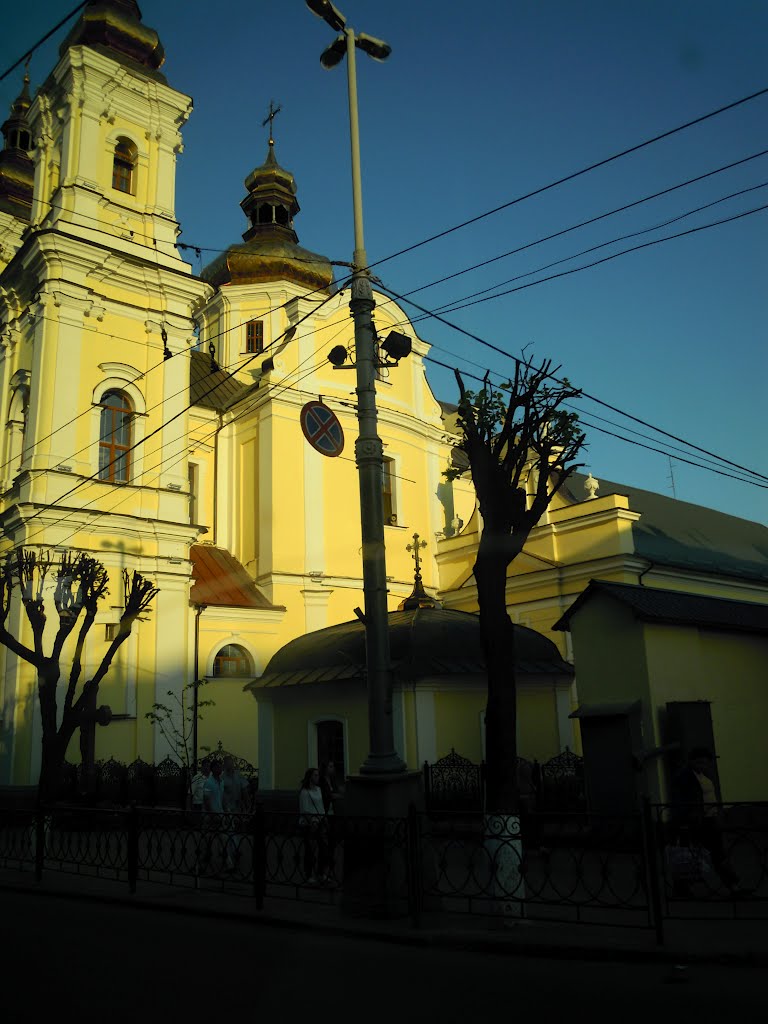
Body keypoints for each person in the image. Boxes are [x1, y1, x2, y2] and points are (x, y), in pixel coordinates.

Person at [670, 747, 740, 894]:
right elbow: (679, 800)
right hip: (695, 821)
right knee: (693, 854)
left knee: (712, 853)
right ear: (691, 761)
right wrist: (684, 819)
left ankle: (733, 885)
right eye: (700, 762)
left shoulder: (704, 775)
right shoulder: (684, 776)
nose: (703, 765)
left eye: (706, 762)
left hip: (709, 819)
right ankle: (683, 886)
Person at [299, 767, 329, 884]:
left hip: (320, 822)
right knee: (310, 850)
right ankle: (309, 874)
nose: (317, 777)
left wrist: (324, 818)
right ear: (310, 777)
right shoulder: (305, 792)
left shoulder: (318, 789)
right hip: (309, 824)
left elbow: (321, 806)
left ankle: (321, 873)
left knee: (323, 848)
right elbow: (305, 810)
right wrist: (311, 822)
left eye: (318, 775)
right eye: (315, 775)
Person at [222, 755, 249, 872]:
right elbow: (220, 794)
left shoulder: (238, 776)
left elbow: (245, 791)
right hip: (226, 810)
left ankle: (234, 854)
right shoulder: (222, 778)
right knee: (228, 833)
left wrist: (247, 807)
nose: (229, 765)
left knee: (235, 832)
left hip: (237, 810)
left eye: (230, 763)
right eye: (227, 763)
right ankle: (230, 859)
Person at [198, 759, 224, 874]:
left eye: (221, 767)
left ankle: (226, 862)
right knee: (208, 841)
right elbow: (207, 801)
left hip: (219, 814)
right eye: (218, 767)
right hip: (210, 816)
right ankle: (203, 865)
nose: (220, 769)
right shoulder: (209, 782)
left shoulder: (221, 782)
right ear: (213, 769)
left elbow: (221, 799)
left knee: (220, 839)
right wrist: (212, 814)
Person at [319, 761, 342, 881]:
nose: (332, 769)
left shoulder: (333, 780)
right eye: (330, 766)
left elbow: (335, 793)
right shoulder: (322, 781)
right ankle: (323, 871)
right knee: (325, 844)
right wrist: (336, 796)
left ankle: (331, 870)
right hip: (326, 814)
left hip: (333, 814)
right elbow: (328, 796)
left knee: (333, 843)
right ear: (325, 768)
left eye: (333, 766)